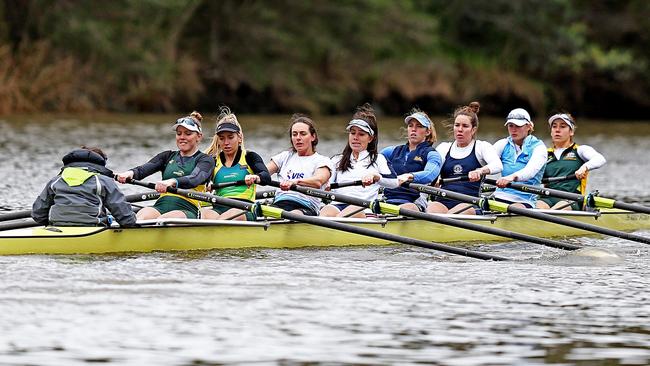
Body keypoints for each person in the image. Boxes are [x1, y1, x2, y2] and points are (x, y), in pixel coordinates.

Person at [116, 112, 215, 219]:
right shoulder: (167, 156)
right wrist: (128, 173)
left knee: (164, 219)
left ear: (199, 137)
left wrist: (173, 181)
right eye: (179, 133)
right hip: (161, 205)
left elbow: (195, 178)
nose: (182, 137)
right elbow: (141, 170)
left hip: (188, 208)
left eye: (188, 133)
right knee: (142, 216)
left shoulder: (205, 160)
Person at [320, 103, 397, 218]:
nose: (355, 137)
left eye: (361, 134)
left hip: (364, 207)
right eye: (352, 133)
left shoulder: (378, 159)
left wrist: (376, 177)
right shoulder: (337, 160)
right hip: (338, 204)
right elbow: (326, 185)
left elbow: (394, 182)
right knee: (325, 211)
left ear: (370, 138)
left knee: (350, 211)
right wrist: (324, 185)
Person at [426, 102, 503, 214]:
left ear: (473, 129)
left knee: (451, 216)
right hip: (442, 201)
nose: (460, 129)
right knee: (430, 210)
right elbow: (431, 168)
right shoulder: (444, 148)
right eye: (457, 125)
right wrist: (434, 178)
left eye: (465, 126)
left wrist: (480, 171)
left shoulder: (481, 147)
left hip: (469, 203)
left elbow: (497, 165)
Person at [32, 146, 137, 227]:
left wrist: (49, 225)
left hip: (58, 228)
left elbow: (38, 214)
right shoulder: (103, 181)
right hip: (93, 230)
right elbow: (126, 219)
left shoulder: (55, 181)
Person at [200, 107, 271, 221]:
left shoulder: (250, 157)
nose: (226, 143)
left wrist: (256, 177)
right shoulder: (213, 161)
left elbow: (266, 177)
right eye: (222, 138)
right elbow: (200, 178)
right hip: (218, 207)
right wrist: (206, 183)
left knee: (227, 216)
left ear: (240, 137)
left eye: (230, 137)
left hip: (244, 208)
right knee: (201, 215)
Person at [266, 114, 333, 216]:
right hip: (280, 203)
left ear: (313, 137)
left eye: (303, 134)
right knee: (265, 213)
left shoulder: (322, 160)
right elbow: (263, 172)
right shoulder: (284, 157)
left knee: (293, 215)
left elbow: (318, 181)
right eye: (294, 134)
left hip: (306, 206)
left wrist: (295, 182)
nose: (298, 138)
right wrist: (255, 176)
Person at [537, 113, 606, 210]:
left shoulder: (580, 150)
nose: (557, 130)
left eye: (562, 126)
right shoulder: (543, 154)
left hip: (571, 199)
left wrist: (584, 167)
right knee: (535, 209)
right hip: (547, 198)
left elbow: (600, 159)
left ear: (571, 132)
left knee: (554, 212)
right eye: (554, 126)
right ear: (551, 132)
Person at [380, 108, 442, 212]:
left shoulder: (432, 154)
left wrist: (410, 176)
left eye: (419, 126)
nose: (413, 129)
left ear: (427, 132)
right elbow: (371, 161)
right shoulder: (392, 151)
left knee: (405, 209)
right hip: (387, 200)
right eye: (410, 126)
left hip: (413, 203)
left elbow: (430, 174)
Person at [493, 108, 547, 208]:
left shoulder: (539, 148)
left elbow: (530, 171)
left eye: (518, 126)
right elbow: (489, 163)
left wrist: (511, 177)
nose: (513, 129)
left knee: (514, 209)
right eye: (510, 126)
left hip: (524, 200)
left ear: (528, 127)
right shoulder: (502, 144)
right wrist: (480, 171)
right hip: (499, 196)